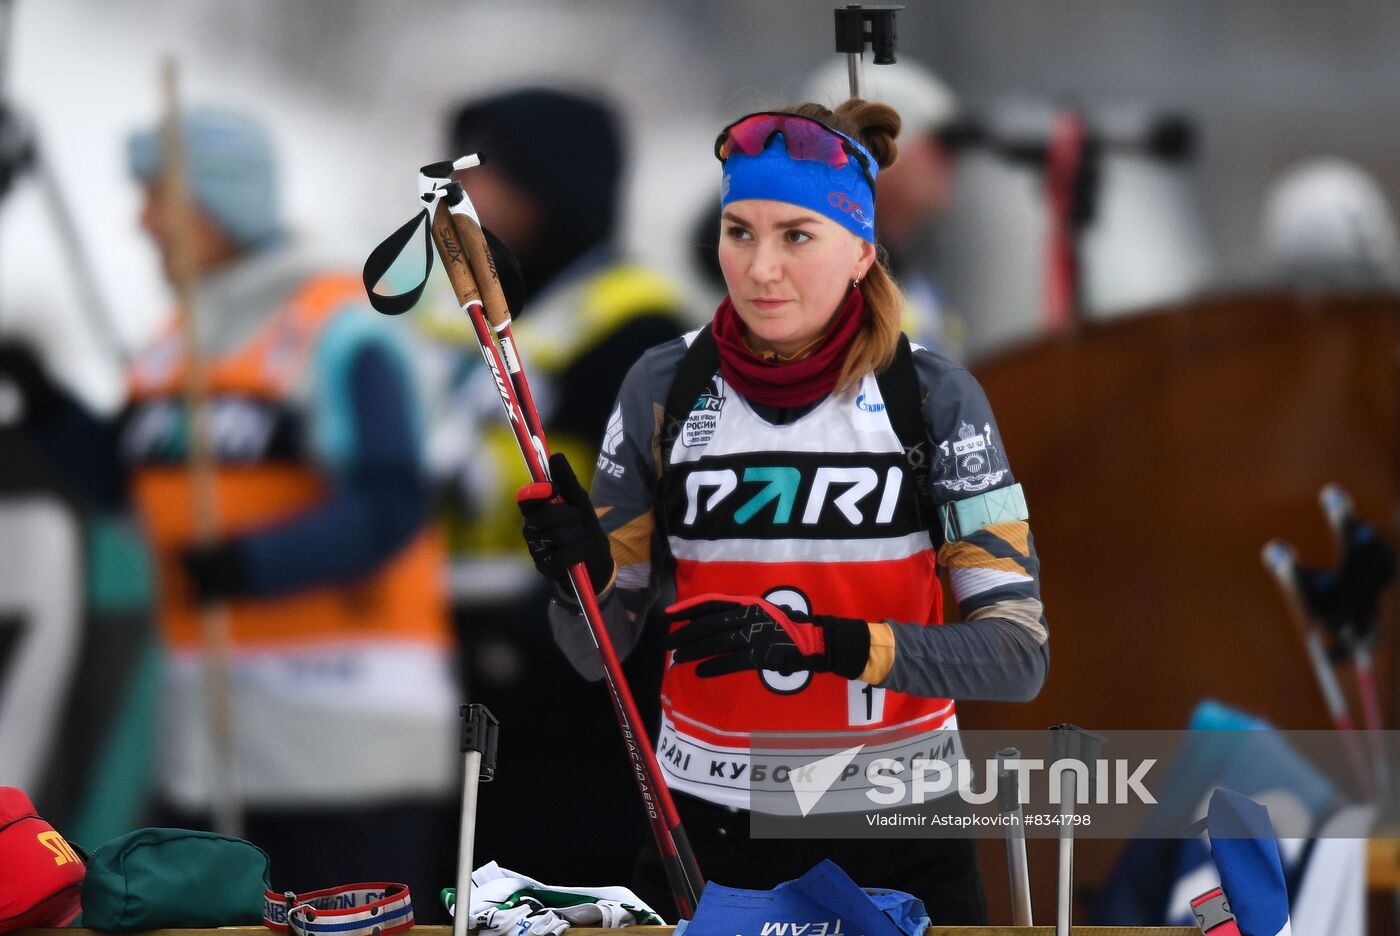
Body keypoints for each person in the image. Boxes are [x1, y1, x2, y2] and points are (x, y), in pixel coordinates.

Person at [516, 99, 1048, 922]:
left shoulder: (933, 397)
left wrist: (829, 645)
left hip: (892, 825)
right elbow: (598, 652)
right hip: (707, 830)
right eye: (741, 232)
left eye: (797, 236)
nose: (762, 269)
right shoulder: (664, 386)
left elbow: (1015, 655)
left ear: (862, 252)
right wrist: (575, 579)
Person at [17, 109, 460, 912]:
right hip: (211, 740)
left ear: (218, 202)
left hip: (347, 744)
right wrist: (48, 404)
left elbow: (391, 503)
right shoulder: (179, 339)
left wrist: (250, 565)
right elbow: (135, 486)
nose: (141, 221)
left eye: (159, 197)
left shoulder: (338, 325)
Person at [415, 88, 691, 884]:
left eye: (489, 174)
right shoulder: (450, 313)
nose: (467, 199)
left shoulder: (636, 326)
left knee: (558, 882)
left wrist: (457, 474)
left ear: (555, 184)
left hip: (568, 677)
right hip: (452, 657)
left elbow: (623, 492)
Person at [802, 58, 972, 356]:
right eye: (939, 145)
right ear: (875, 150)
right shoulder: (798, 275)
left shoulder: (919, 266)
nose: (952, 162)